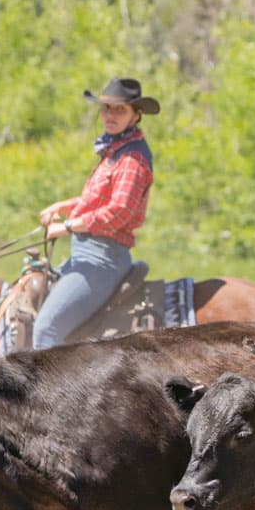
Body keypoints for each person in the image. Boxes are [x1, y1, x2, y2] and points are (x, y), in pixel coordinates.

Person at [33, 77, 159, 350]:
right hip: (87, 252)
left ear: (136, 115)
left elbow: (120, 211)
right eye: (106, 109)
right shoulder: (115, 151)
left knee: (46, 329)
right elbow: (100, 199)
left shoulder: (132, 158)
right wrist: (64, 206)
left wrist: (67, 226)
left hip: (103, 258)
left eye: (120, 110)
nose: (110, 116)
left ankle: (48, 393)